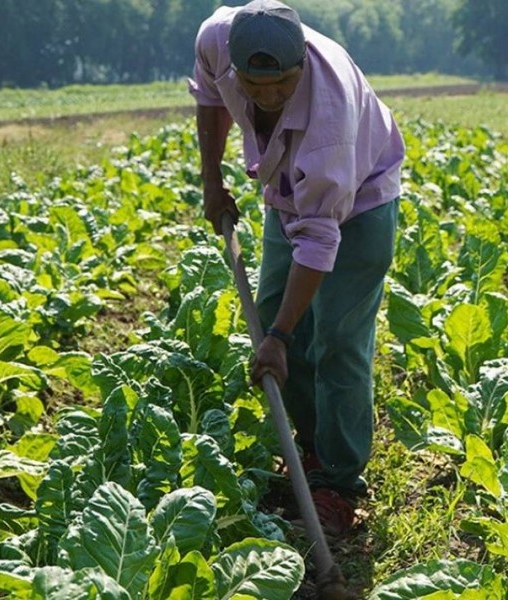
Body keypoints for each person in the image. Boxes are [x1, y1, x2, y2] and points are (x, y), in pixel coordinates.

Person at [189, 0, 404, 536]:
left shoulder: (329, 127)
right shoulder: (218, 39)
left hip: (358, 207)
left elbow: (318, 239)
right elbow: (212, 96)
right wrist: (212, 179)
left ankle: (341, 482)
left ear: (301, 63)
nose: (267, 97)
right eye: (255, 87)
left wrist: (281, 338)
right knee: (271, 315)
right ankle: (309, 451)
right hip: (285, 189)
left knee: (335, 340)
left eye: (281, 86)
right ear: (236, 63)